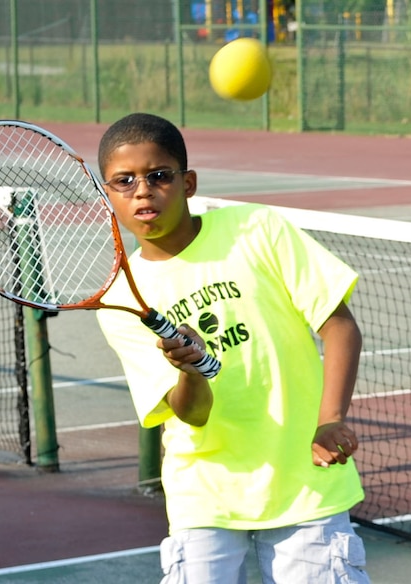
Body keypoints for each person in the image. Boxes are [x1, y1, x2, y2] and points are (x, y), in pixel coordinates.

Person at [95, 112, 370, 584]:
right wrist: (190, 370)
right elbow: (193, 414)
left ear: (188, 183)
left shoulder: (258, 230)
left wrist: (331, 419)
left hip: (304, 483)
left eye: (159, 175)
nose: (143, 190)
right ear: (110, 197)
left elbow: (340, 326)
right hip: (204, 496)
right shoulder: (118, 301)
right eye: (125, 181)